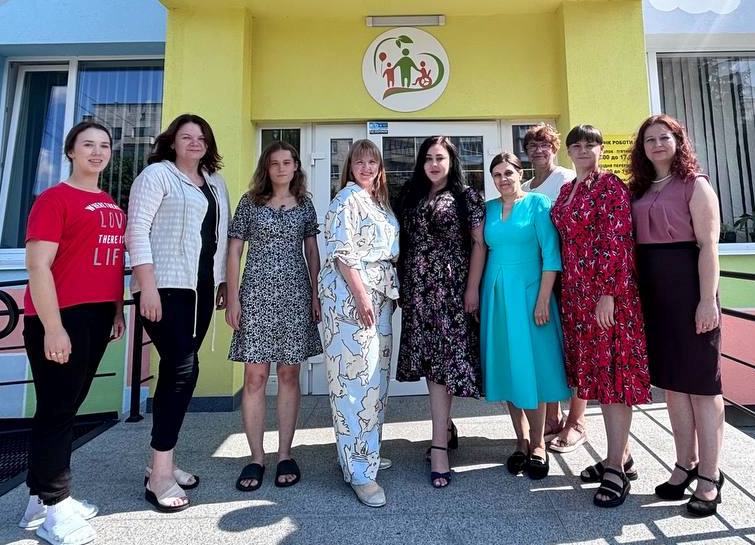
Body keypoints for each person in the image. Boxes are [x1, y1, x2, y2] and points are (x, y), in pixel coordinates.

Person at [20, 121, 125, 545]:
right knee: (57, 411)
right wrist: (53, 328)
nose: (97, 152)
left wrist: (115, 310)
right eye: (88, 145)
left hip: (96, 317)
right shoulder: (54, 199)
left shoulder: (109, 202)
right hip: (60, 317)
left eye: (104, 146)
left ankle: (37, 499)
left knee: (65, 407)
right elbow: (37, 265)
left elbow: (110, 262)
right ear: (70, 151)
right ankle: (56, 507)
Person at [126, 113, 230, 512]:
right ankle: (159, 475)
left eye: (201, 137)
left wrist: (222, 282)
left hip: (200, 289)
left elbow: (218, 238)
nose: (195, 142)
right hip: (165, 287)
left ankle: (162, 461)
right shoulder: (157, 176)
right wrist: (147, 285)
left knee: (178, 373)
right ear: (172, 142)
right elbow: (137, 231)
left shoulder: (215, 183)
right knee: (182, 370)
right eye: (187, 137)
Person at [550, 124, 651, 508]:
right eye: (576, 145)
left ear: (601, 149)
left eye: (589, 144)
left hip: (607, 297)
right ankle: (622, 456)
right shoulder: (567, 191)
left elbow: (618, 241)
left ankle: (615, 471)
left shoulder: (610, 187)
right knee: (594, 376)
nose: (582, 150)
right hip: (576, 298)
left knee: (613, 379)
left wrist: (608, 294)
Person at [629, 114, 724, 517]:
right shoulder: (639, 187)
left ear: (678, 141)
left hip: (690, 291)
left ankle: (710, 476)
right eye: (649, 139)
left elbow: (708, 246)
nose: (656, 144)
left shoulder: (695, 184)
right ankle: (685, 464)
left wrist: (707, 301)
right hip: (655, 297)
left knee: (702, 386)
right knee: (673, 386)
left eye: (664, 137)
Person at [226, 141, 322, 491]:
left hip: (295, 296)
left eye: (287, 162)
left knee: (288, 374)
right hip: (255, 296)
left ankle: (284, 454)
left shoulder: (305, 204)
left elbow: (312, 251)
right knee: (254, 376)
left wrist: (316, 294)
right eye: (274, 163)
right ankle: (256, 458)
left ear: (296, 166)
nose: (281, 168)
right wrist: (233, 297)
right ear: (266, 168)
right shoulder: (250, 202)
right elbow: (234, 251)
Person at [396, 136, 486, 489]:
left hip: (451, 290)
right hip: (418, 290)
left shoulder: (466, 197)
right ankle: (445, 428)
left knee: (443, 365)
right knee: (430, 361)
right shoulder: (411, 196)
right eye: (428, 158)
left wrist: (472, 288)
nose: (434, 164)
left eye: (440, 158)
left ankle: (438, 448)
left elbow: (478, 244)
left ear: (451, 162)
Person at [480, 152, 571, 479]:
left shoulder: (537, 204)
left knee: (532, 367)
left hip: (531, 293)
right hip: (497, 295)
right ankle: (520, 440)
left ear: (521, 173)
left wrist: (544, 299)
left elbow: (551, 255)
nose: (503, 179)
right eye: (497, 174)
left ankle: (538, 443)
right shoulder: (488, 209)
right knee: (507, 366)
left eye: (508, 172)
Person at [318, 139, 399, 508]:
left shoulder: (378, 202)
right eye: (359, 162)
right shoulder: (346, 200)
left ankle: (364, 453)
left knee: (375, 380)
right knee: (355, 382)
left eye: (372, 162)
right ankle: (360, 472)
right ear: (349, 167)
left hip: (378, 297)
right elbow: (342, 253)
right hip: (352, 298)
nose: (366, 167)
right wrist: (362, 296)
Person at [521, 123, 588, 454]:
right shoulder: (524, 187)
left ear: (555, 148)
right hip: (541, 276)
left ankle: (577, 421)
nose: (538, 150)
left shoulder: (565, 179)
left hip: (571, 275)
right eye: (532, 145)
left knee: (576, 347)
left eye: (544, 144)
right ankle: (552, 417)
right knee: (550, 348)